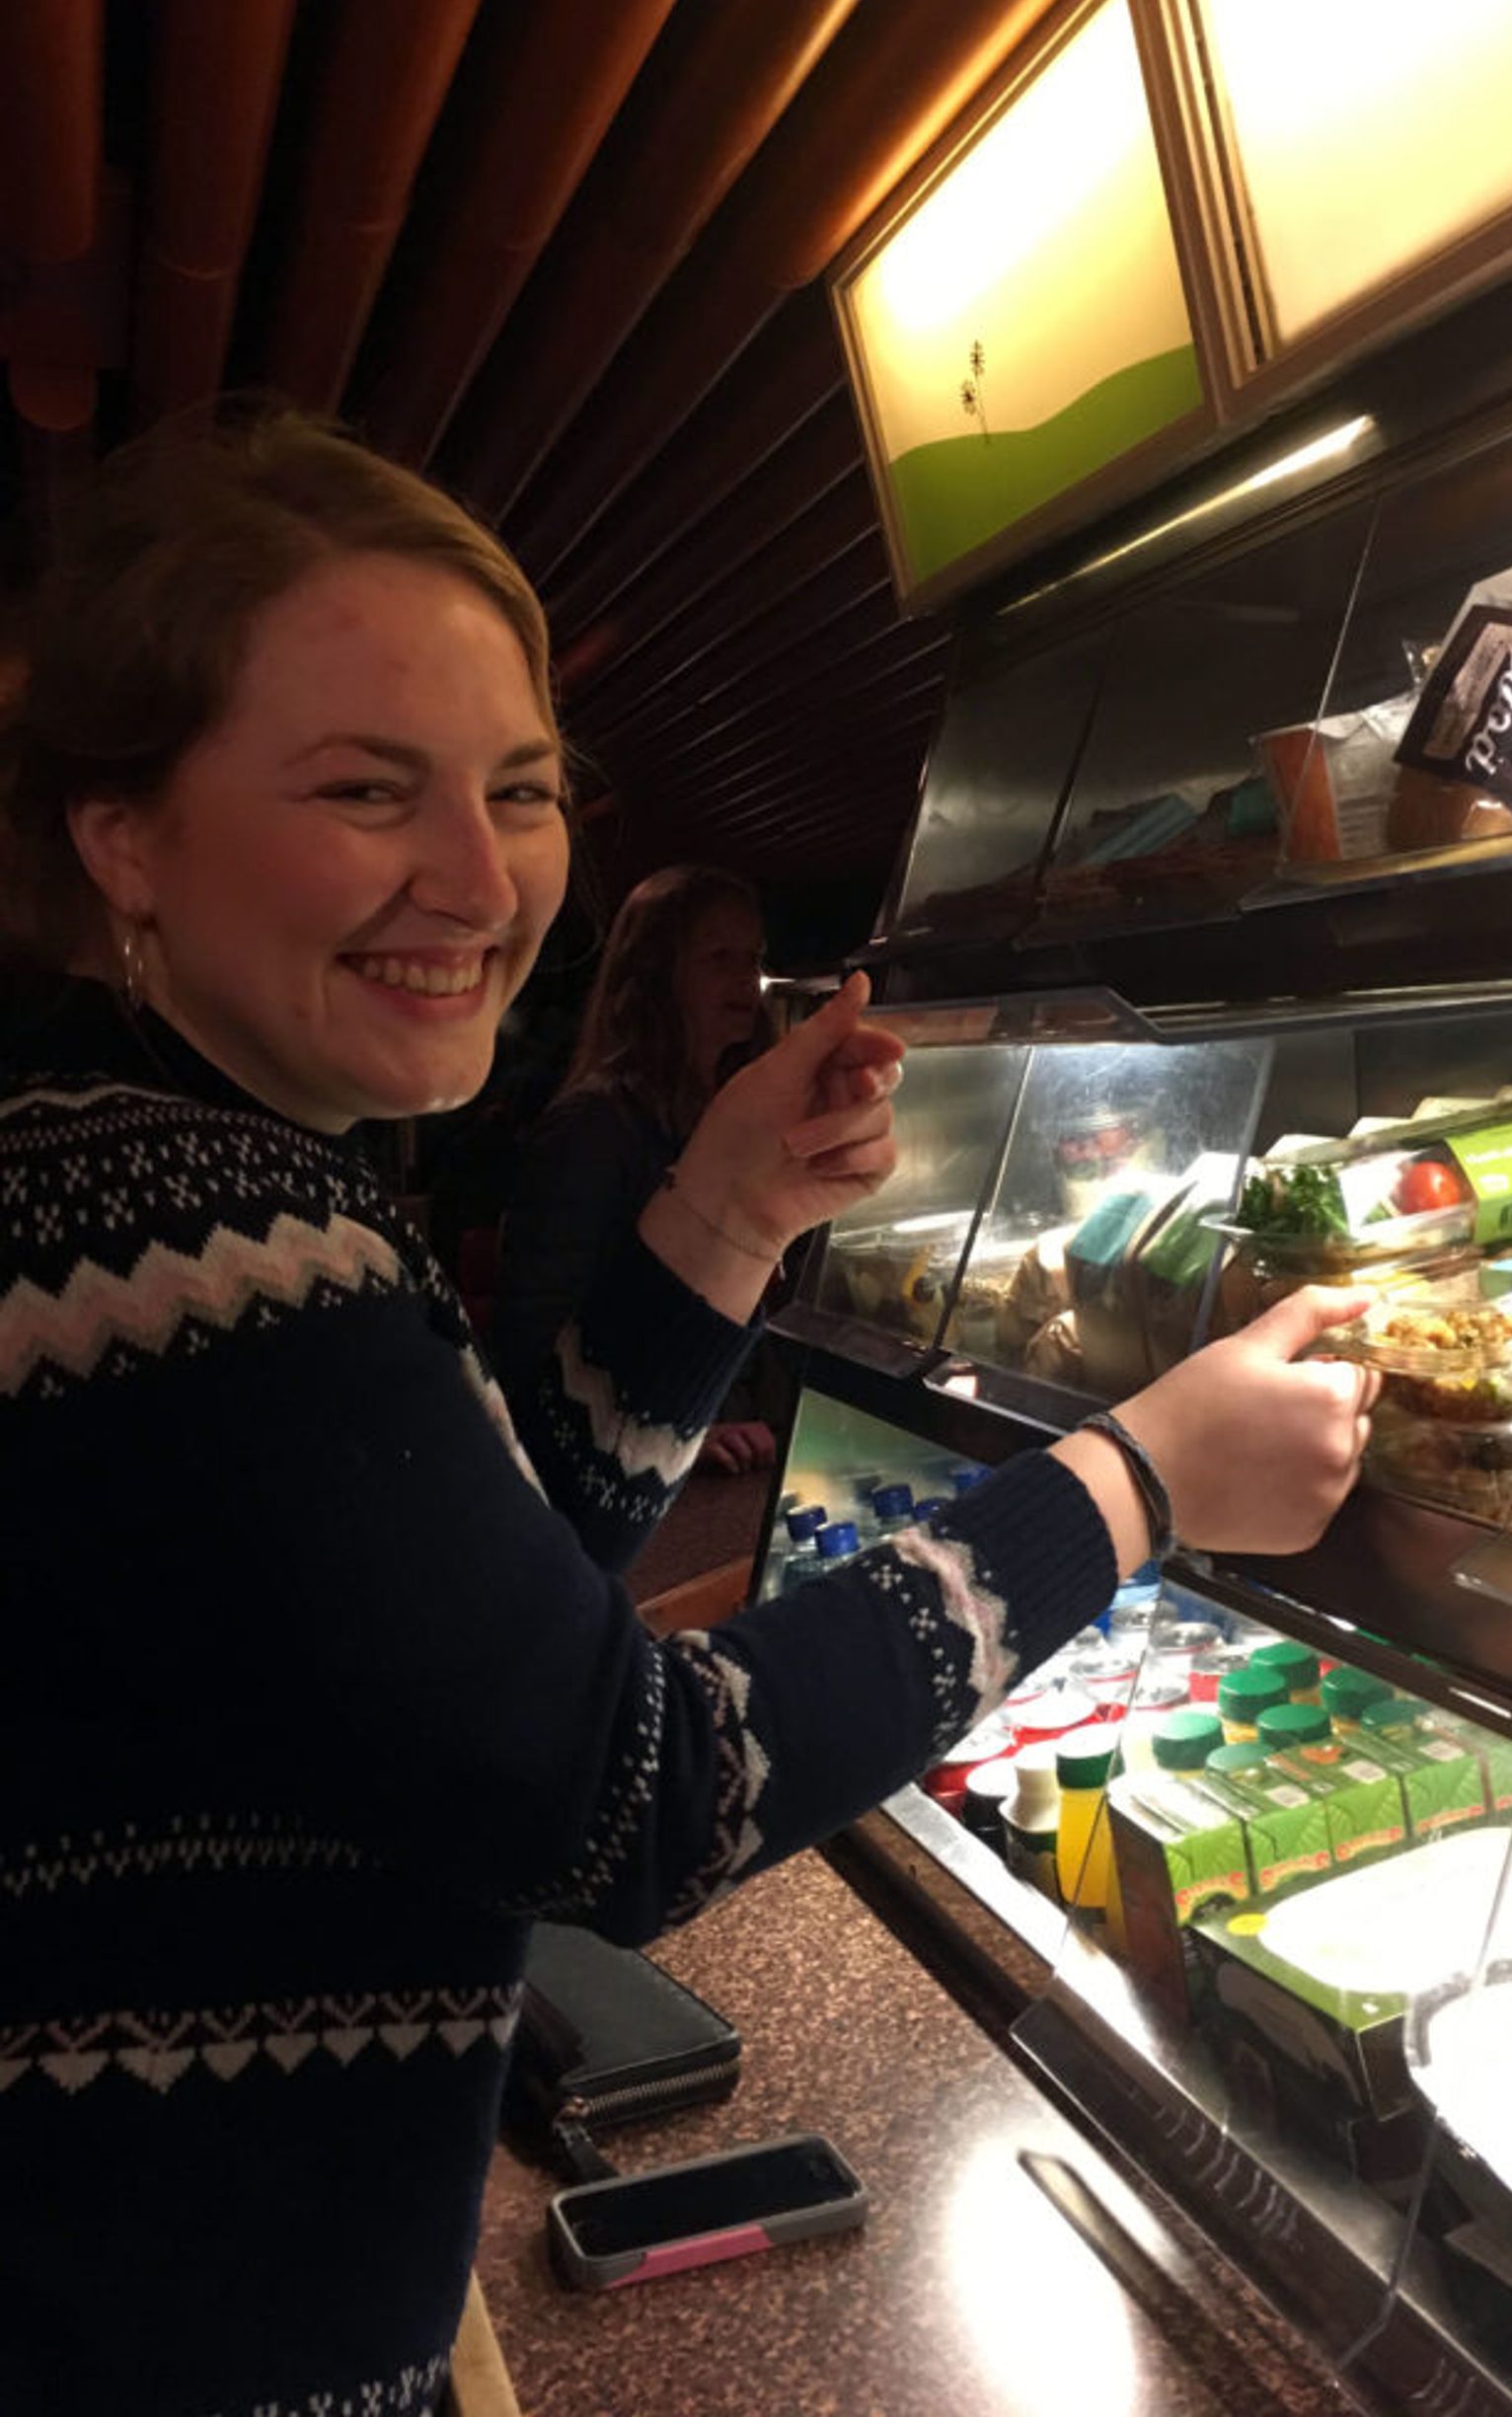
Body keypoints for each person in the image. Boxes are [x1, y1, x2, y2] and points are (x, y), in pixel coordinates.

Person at [0, 408, 1376, 2417]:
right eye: (365, 787)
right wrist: (1143, 1476)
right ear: (125, 834)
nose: (478, 878)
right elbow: (627, 1796)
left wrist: (724, 1212)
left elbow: (467, 1630)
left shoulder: (118, 1151)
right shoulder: (200, 1225)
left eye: (523, 788)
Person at [494, 864, 781, 1480]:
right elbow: (530, 1345)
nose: (745, 978)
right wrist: (682, 1437)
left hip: (723, 1447)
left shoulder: (729, 1111)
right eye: (718, 956)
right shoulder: (592, 1127)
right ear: (654, 976)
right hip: (616, 1473)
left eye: (752, 956)